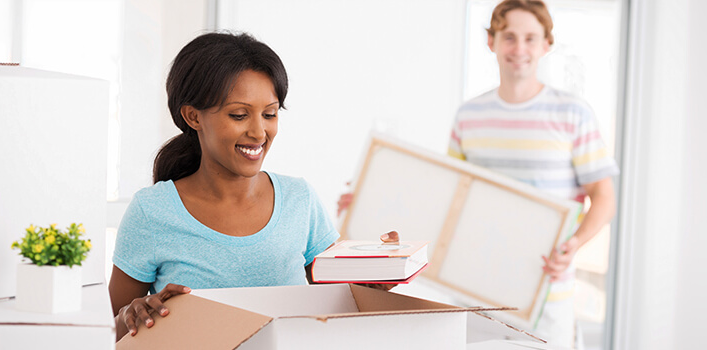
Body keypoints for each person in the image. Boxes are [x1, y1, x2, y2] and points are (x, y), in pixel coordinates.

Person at [338, 1, 618, 347]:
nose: (519, 49)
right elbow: (447, 201)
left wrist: (573, 245)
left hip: (545, 298)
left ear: (547, 45)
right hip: (475, 293)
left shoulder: (574, 113)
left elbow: (604, 197)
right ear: (492, 41)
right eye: (509, 36)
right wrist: (369, 199)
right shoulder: (469, 116)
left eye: (530, 38)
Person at [109, 32, 398, 342]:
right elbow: (109, 329)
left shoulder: (300, 200)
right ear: (193, 116)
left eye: (270, 114)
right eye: (239, 115)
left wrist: (374, 280)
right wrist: (131, 316)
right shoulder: (151, 212)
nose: (259, 132)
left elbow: (339, 302)